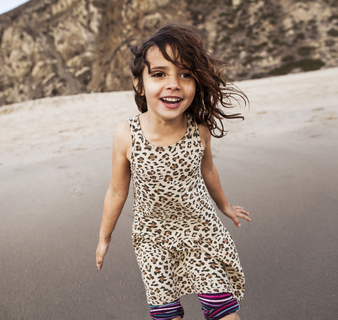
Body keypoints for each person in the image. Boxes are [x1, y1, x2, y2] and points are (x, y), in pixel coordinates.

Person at [95, 23, 251, 320]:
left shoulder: (199, 130)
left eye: (186, 74)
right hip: (152, 238)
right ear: (139, 84)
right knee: (166, 314)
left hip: (201, 231)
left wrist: (224, 206)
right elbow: (117, 189)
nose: (173, 83)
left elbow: (209, 171)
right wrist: (105, 237)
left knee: (223, 310)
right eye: (159, 74)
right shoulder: (126, 134)